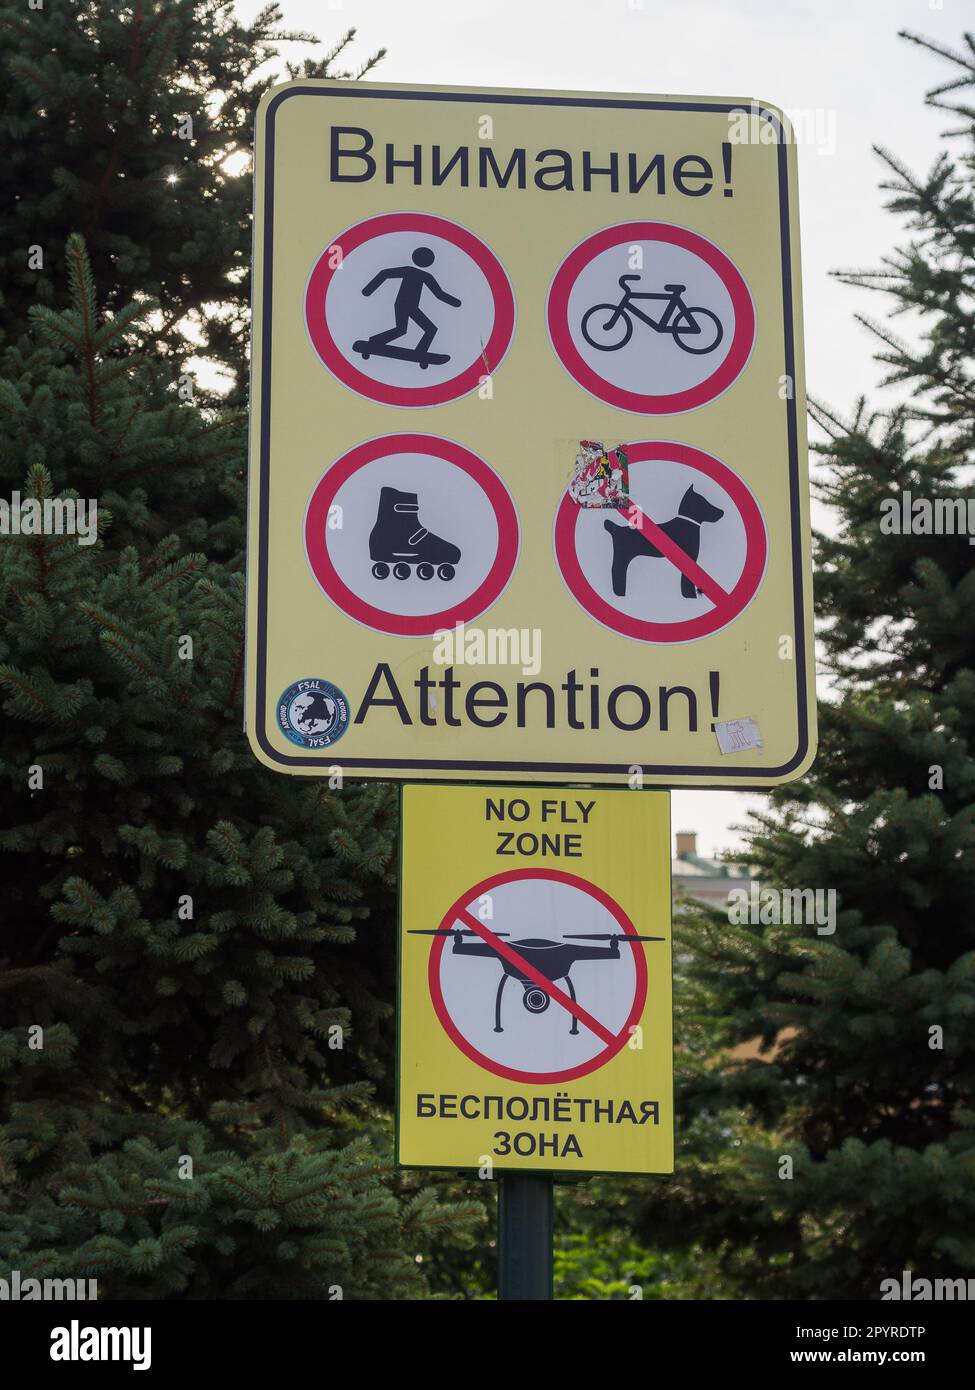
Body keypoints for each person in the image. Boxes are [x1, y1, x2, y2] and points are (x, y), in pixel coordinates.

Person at [360, 246, 461, 359]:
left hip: (412, 307)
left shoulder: (424, 275)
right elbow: (385, 273)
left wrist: (456, 303)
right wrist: (368, 290)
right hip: (402, 305)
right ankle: (375, 342)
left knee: (424, 329)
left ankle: (419, 352)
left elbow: (439, 294)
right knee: (406, 330)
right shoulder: (415, 272)